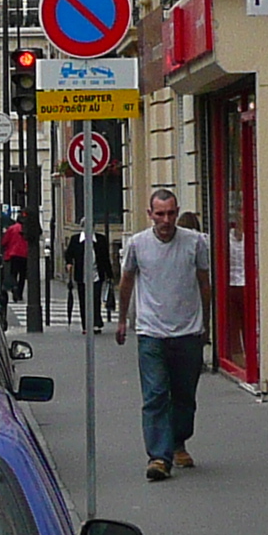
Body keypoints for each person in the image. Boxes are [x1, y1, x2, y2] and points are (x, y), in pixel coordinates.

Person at [115, 190, 212, 481]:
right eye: (160, 214)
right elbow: (127, 281)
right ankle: (158, 456)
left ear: (177, 212)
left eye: (170, 213)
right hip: (151, 331)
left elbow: (204, 283)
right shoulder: (138, 244)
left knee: (184, 395)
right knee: (156, 394)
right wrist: (122, 321)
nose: (166, 220)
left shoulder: (195, 242)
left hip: (187, 330)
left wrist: (206, 323)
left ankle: (178, 441)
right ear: (150, 214)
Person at [1, 215, 32, 307]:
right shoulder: (28, 229)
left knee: (13, 274)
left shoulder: (12, 228)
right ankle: (19, 294)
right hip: (25, 255)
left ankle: (14, 289)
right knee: (22, 276)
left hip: (13, 254)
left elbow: (4, 241)